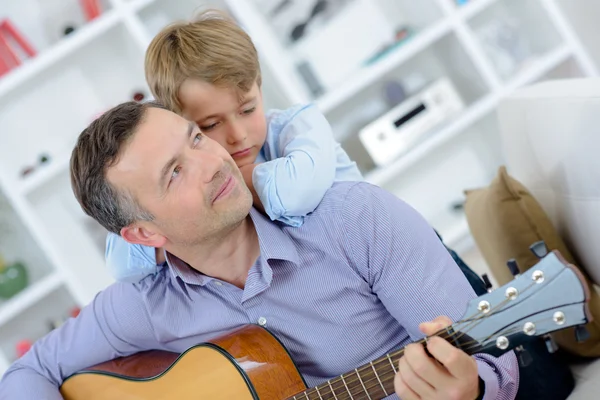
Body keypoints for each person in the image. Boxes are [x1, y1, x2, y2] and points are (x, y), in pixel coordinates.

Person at [0, 101, 518, 399]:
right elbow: (28, 374)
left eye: (195, 140)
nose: (213, 163)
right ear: (142, 234)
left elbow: (496, 364)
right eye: (175, 173)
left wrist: (469, 391)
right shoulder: (143, 306)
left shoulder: (356, 219)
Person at [105, 10, 362, 283]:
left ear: (259, 89)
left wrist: (239, 182)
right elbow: (120, 264)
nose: (238, 135)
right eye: (211, 125)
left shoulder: (299, 127)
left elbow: (296, 193)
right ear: (179, 125)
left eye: (248, 109)